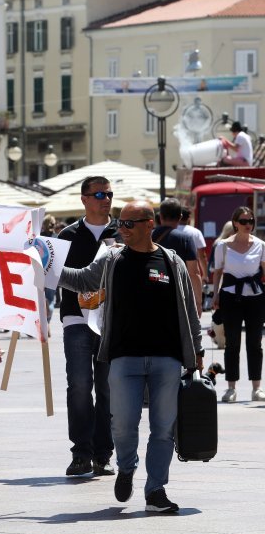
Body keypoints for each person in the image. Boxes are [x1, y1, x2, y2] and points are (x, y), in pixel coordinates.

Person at [59, 201, 203, 513]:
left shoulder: (171, 261)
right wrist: (47, 267)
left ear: (149, 224)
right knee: (123, 425)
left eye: (129, 224)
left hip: (167, 359)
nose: (121, 229)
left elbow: (188, 309)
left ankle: (155, 490)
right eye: (121, 223)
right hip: (124, 358)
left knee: (164, 428)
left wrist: (197, 348)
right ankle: (126, 468)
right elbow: (83, 281)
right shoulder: (112, 258)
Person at [56, 176, 119, 478]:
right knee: (80, 386)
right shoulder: (67, 236)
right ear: (83, 199)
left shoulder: (122, 232)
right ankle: (81, 452)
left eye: (108, 193)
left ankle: (103, 455)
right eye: (98, 194)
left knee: (108, 390)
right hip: (76, 320)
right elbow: (50, 274)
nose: (105, 198)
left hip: (113, 323)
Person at [211, 206, 265, 403]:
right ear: (235, 223)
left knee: (255, 343)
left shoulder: (261, 245)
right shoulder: (223, 246)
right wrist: (215, 295)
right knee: (232, 343)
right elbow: (217, 272)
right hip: (230, 297)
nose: (248, 224)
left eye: (250, 221)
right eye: (243, 221)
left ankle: (256, 387)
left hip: (255, 297)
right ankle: (231, 387)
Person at [154, 199, 203, 312]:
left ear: (160, 216)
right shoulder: (186, 239)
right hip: (179, 295)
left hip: (152, 292)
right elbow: (194, 272)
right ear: (180, 217)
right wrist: (198, 302)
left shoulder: (148, 237)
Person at [178, 207, 209, 284]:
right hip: (192, 272)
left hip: (174, 271)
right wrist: (205, 275)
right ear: (189, 218)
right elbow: (202, 256)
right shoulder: (196, 232)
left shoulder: (171, 230)